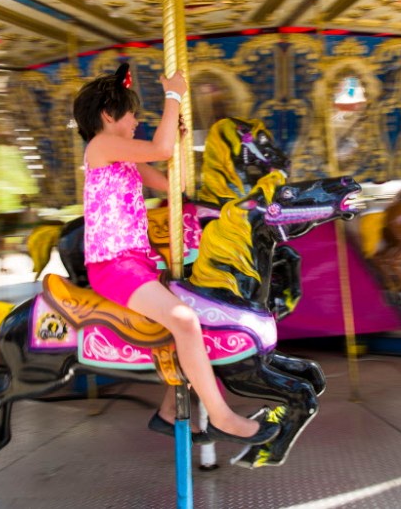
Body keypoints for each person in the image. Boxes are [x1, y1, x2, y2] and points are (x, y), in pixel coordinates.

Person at [73, 63, 279, 446]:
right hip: (114, 264)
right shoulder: (100, 146)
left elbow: (173, 186)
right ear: (108, 115)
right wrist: (173, 95)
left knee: (191, 321)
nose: (136, 119)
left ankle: (169, 410)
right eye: (132, 112)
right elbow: (160, 147)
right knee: (184, 320)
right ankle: (222, 417)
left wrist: (178, 141)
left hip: (137, 262)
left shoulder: (125, 160)